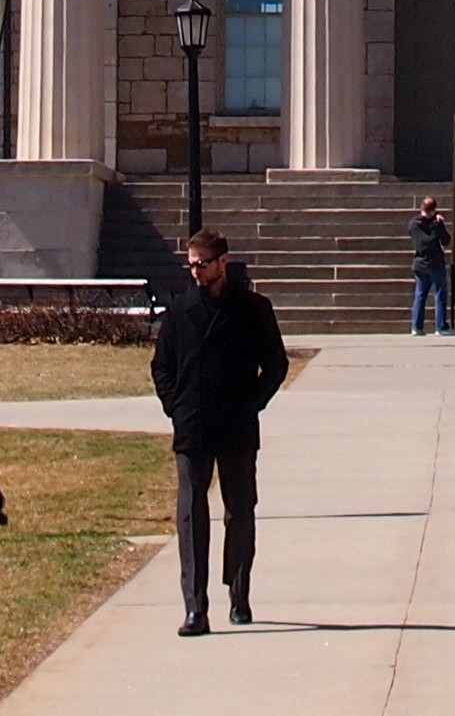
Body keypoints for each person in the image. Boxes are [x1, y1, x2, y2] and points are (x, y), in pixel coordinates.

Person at [149, 228, 289, 637]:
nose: (196, 272)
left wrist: (253, 401)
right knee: (192, 515)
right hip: (193, 424)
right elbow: (162, 366)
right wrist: (174, 405)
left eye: (203, 264)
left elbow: (276, 365)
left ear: (223, 262)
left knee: (240, 511)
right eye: (191, 264)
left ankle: (239, 594)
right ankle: (196, 606)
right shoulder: (179, 311)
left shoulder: (253, 308)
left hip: (237, 423)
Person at [409, 195, 454, 336]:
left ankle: (417, 326)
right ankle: (441, 326)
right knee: (440, 294)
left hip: (419, 263)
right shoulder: (435, 224)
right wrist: (440, 223)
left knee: (420, 295)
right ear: (434, 210)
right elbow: (446, 241)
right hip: (435, 263)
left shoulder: (412, 224)